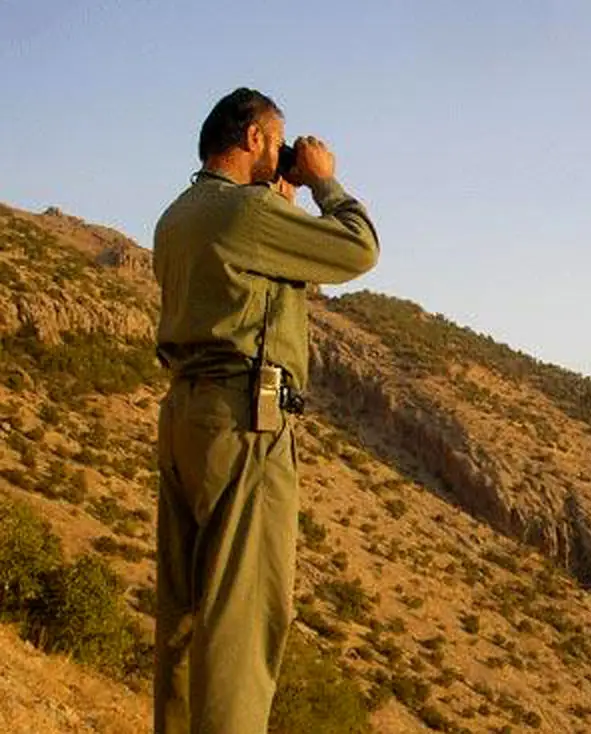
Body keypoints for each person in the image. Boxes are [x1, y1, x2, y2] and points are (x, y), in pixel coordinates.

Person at [152, 87, 379, 733]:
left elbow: (271, 279)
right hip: (244, 425)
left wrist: (279, 202)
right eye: (278, 144)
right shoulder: (243, 214)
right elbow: (357, 248)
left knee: (185, 616)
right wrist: (325, 184)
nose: (284, 157)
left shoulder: (180, 214)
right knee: (241, 624)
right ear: (254, 138)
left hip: (185, 419)